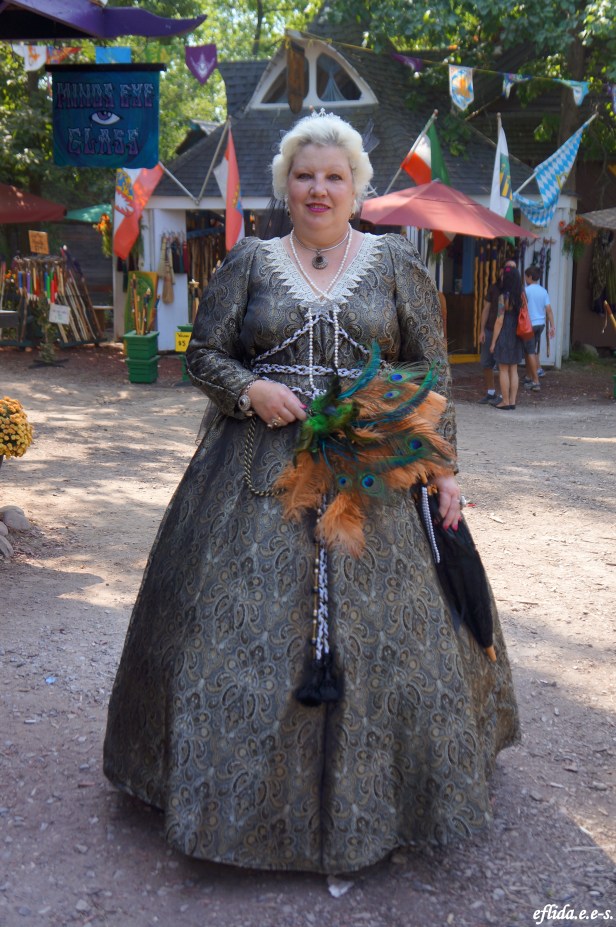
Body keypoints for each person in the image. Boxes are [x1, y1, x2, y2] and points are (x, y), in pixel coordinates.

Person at [103, 112, 519, 875]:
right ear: (285, 186)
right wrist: (250, 387)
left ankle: (400, 798)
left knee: (398, 638)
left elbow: (429, 370)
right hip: (256, 470)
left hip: (376, 471)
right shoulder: (250, 263)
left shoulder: (395, 263)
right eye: (304, 175)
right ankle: (229, 806)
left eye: (333, 175)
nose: (318, 188)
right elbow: (203, 357)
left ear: (356, 186)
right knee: (232, 632)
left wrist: (445, 467)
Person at [490, 262, 525, 410]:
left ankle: (504, 401)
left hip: (505, 333)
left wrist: (493, 342)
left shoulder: (503, 298)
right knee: (514, 369)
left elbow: (499, 320)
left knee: (503, 369)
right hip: (517, 334)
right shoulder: (522, 296)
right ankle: (512, 401)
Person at [523, 265, 556, 390]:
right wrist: (552, 326)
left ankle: (535, 381)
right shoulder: (543, 291)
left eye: (526, 276)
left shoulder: (526, 291)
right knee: (530, 350)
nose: (525, 279)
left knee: (530, 351)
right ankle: (528, 376)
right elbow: (548, 309)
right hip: (540, 324)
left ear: (530, 277)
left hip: (529, 325)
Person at [477, 276, 502, 405]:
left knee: (504, 364)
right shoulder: (494, 288)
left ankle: (504, 395)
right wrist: (482, 330)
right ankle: (491, 392)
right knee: (486, 362)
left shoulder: (514, 289)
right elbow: (486, 309)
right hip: (490, 329)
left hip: (505, 332)